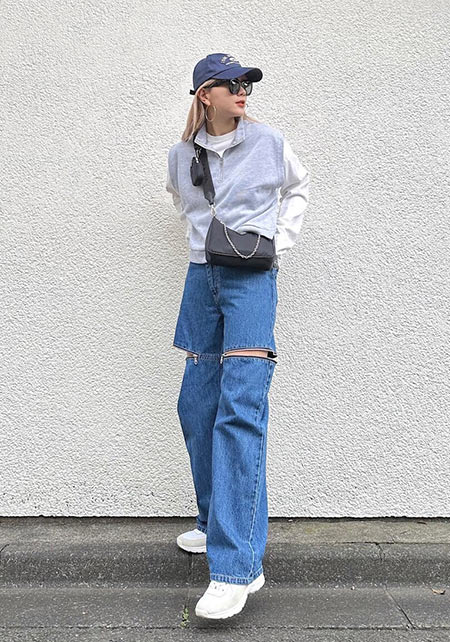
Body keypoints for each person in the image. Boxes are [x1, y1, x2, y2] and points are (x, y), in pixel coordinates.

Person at [165, 53, 310, 620]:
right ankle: (214, 521)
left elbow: (298, 188)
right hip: (201, 280)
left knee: (239, 412)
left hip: (251, 283)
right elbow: (180, 200)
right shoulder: (182, 155)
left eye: (247, 82)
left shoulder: (269, 142)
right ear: (206, 94)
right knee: (196, 406)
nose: (244, 90)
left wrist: (278, 239)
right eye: (232, 83)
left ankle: (237, 567)